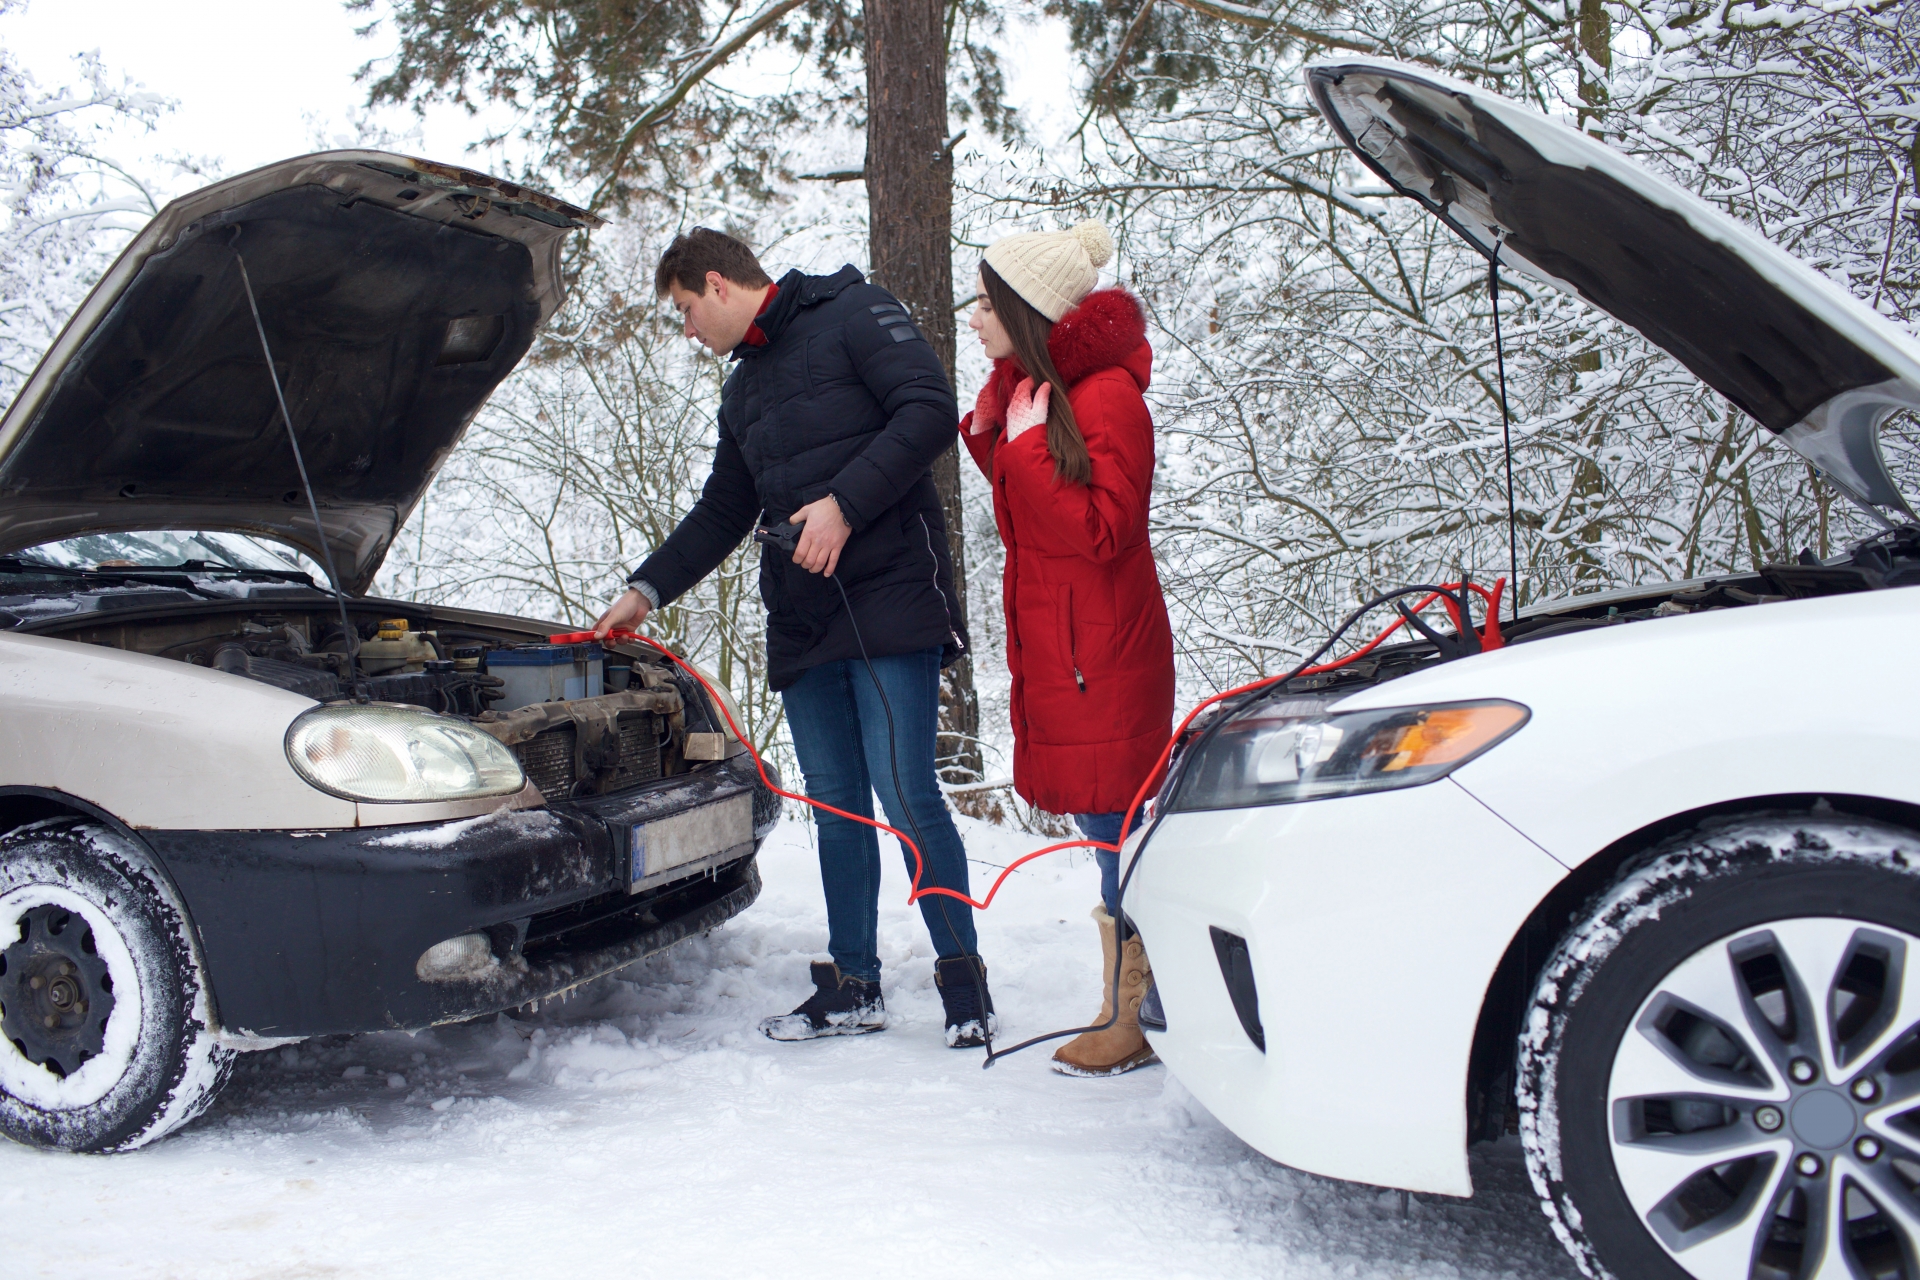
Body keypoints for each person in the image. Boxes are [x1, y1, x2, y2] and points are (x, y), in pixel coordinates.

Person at [593, 228, 993, 1047]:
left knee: (906, 789)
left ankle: (965, 988)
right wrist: (647, 588)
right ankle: (854, 985)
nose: (688, 331)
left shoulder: (854, 311)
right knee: (834, 803)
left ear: (716, 283)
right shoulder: (741, 396)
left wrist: (844, 504)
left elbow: (928, 411)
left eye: (685, 311)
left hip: (889, 600)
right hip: (804, 620)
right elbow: (721, 512)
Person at [958, 221, 1175, 1077]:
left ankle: (1141, 1014)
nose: (974, 316)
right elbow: (1035, 517)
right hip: (1070, 649)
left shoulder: (1109, 397)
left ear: (1028, 308)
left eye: (985, 301)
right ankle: (1131, 1005)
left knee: (1119, 830)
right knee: (1105, 830)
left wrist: (1019, 444)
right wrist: (996, 431)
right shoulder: (1046, 396)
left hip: (1105, 657)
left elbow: (1101, 528)